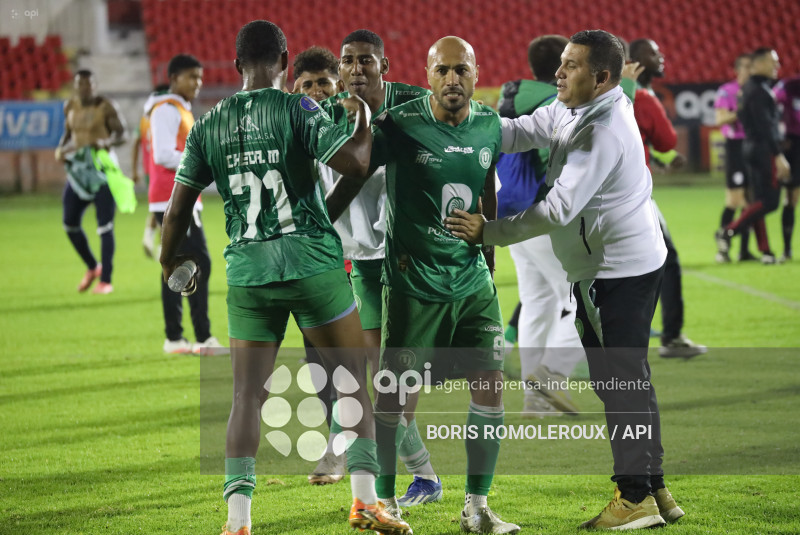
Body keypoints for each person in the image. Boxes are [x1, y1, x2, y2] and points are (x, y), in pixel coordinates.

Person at [159, 20, 410, 535]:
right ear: (285, 60)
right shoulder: (300, 107)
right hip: (312, 263)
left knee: (246, 398)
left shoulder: (209, 123)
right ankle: (365, 502)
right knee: (350, 385)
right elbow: (357, 165)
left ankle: (237, 520)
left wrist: (169, 261)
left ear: (236, 66)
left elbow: (178, 207)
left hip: (248, 272)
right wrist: (362, 115)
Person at [446, 30, 684, 530]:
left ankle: (635, 495)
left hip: (617, 271)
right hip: (610, 266)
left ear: (601, 77)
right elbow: (519, 131)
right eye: (560, 62)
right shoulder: (572, 107)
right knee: (625, 377)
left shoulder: (603, 128)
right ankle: (653, 484)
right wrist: (466, 119)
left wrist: (488, 230)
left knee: (619, 381)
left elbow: (557, 208)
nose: (559, 73)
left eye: (571, 65)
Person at [333, 35, 520, 534]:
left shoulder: (488, 126)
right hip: (413, 284)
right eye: (442, 71)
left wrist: (490, 246)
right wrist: (320, 220)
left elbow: (485, 187)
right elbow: (355, 175)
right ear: (427, 73)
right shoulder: (402, 123)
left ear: (477, 73)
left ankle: (477, 507)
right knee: (394, 395)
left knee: (490, 387)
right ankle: (387, 502)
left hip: (472, 282)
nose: (452, 80)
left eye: (461, 70)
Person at [315, 29, 442, 505]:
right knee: (367, 368)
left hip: (412, 259)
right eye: (347, 61)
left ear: (383, 67)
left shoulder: (414, 104)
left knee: (396, 374)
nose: (356, 69)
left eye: (366, 60)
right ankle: (411, 470)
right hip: (363, 262)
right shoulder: (328, 114)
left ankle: (411, 474)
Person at [496, 34, 584, 418]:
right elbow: (562, 161)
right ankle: (551, 376)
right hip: (542, 216)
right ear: (559, 67)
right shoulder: (557, 103)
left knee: (537, 302)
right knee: (585, 299)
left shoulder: (511, 97)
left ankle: (534, 400)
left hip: (510, 212)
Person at [629, 38, 706, 359]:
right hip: (634, 197)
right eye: (653, 53)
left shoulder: (603, 95)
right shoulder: (642, 98)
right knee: (667, 261)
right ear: (635, 61)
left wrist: (658, 161)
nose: (661, 56)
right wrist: (663, 154)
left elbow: (632, 143)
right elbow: (667, 138)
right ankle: (670, 337)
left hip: (596, 197)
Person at [148, 54, 224, 355]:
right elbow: (163, 154)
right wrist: (204, 162)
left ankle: (176, 338)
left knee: (175, 264)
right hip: (174, 198)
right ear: (174, 77)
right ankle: (203, 338)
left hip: (178, 197)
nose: (198, 83)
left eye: (200, 77)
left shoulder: (179, 109)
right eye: (192, 76)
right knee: (199, 263)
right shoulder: (166, 109)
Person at [56, 70, 128, 295]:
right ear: (75, 86)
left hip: (102, 171)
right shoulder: (70, 106)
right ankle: (92, 266)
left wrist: (107, 141)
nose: (85, 89)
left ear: (95, 86)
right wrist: (61, 148)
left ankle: (106, 280)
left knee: (104, 227)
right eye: (80, 85)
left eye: (88, 85)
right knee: (69, 223)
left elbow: (122, 134)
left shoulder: (106, 106)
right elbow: (69, 134)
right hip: (79, 172)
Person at [716, 48, 791, 264]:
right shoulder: (759, 91)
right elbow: (765, 127)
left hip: (749, 147)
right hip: (762, 149)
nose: (777, 66)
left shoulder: (749, 89)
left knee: (756, 202)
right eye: (772, 62)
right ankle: (729, 231)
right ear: (758, 64)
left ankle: (765, 251)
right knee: (770, 202)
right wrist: (778, 155)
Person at [714, 54, 755, 262]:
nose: (751, 70)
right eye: (747, 66)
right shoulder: (727, 91)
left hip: (754, 146)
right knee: (734, 200)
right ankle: (722, 248)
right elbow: (720, 119)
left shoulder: (756, 92)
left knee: (750, 202)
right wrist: (740, 110)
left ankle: (744, 251)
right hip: (736, 147)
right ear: (738, 69)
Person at [132, 83, 169, 260]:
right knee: (167, 207)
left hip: (150, 171)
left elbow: (136, 142)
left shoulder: (144, 119)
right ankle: (163, 245)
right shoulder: (166, 115)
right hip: (164, 171)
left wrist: (134, 169)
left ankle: (148, 236)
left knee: (157, 207)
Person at [774, 72, 800, 261]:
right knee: (791, 197)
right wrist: (780, 135)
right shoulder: (789, 86)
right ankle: (787, 248)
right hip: (794, 144)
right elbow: (771, 104)